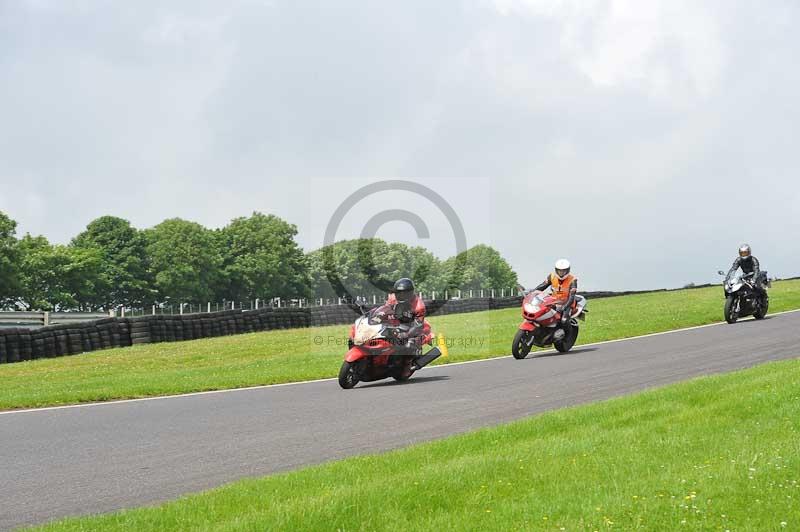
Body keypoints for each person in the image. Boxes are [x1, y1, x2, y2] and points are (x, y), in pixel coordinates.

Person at [385, 278, 428, 376]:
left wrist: (406, 334)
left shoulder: (419, 306)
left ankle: (407, 365)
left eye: (404, 293)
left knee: (408, 344)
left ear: (410, 293)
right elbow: (385, 310)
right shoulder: (392, 298)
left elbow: (418, 325)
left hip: (413, 328)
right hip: (395, 323)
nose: (401, 296)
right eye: (399, 293)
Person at [532, 259, 578, 325]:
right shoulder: (552, 276)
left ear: (567, 270)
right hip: (553, 302)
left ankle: (569, 334)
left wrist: (564, 307)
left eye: (563, 271)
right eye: (559, 271)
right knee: (542, 316)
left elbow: (572, 297)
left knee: (564, 321)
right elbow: (542, 286)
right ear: (556, 270)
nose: (561, 273)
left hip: (567, 304)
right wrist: (533, 292)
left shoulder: (573, 280)